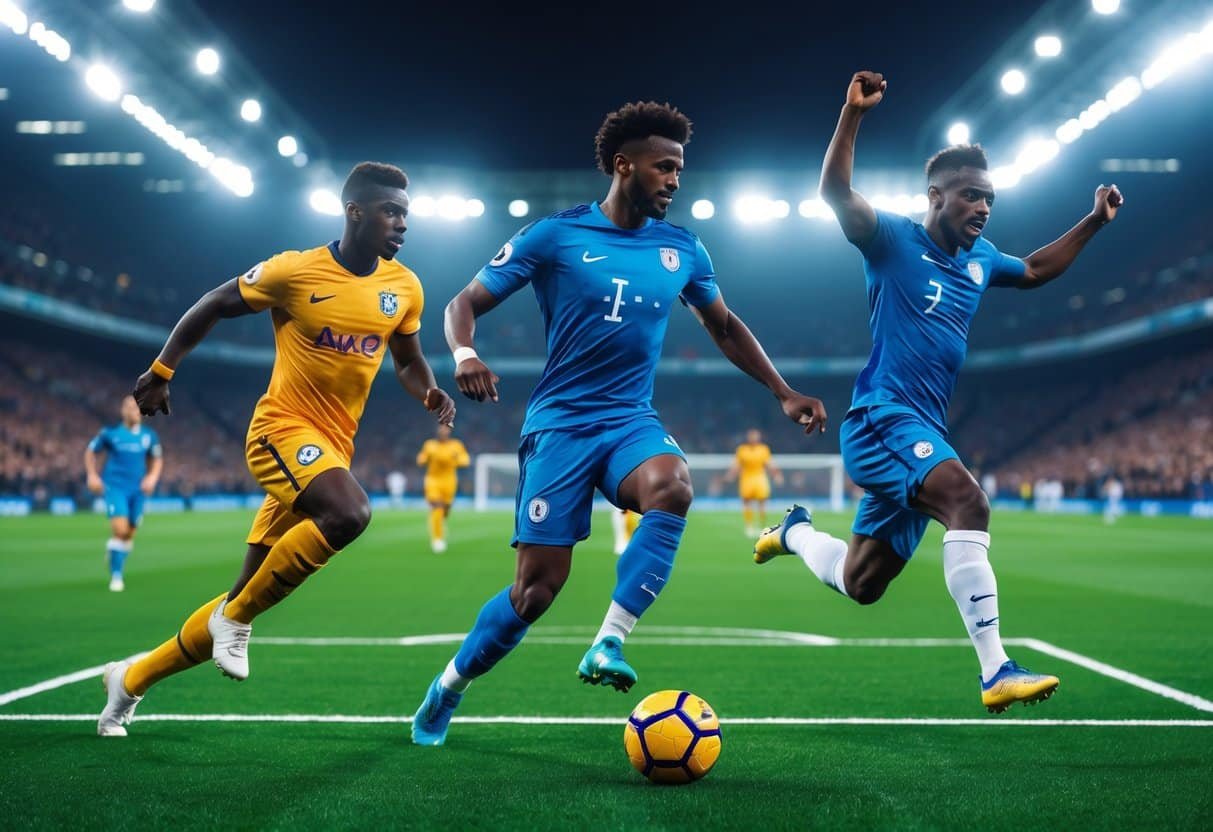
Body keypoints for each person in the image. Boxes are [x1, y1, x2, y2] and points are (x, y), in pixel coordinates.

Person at [411, 101, 827, 745]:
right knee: (534, 594)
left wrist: (782, 392)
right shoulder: (555, 236)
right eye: (664, 167)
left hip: (631, 420)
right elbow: (463, 301)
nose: (675, 180)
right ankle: (448, 688)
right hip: (560, 427)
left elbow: (723, 325)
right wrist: (465, 353)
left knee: (674, 485)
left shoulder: (682, 248)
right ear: (623, 165)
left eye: (680, 169)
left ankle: (608, 641)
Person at [755, 71, 1123, 713]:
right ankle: (995, 668)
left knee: (861, 582)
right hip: (880, 419)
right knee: (968, 502)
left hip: (919, 430)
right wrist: (852, 115)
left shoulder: (981, 262)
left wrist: (1093, 222)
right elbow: (834, 191)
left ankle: (793, 532)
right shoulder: (893, 240)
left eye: (990, 200)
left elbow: (1036, 269)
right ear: (936, 197)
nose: (983, 208)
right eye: (971, 197)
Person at [97, 162, 455, 737]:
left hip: (331, 449)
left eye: (406, 214)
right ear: (355, 213)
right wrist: (161, 369)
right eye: (391, 212)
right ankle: (235, 622)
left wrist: (430, 390)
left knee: (247, 588)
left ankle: (131, 680)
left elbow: (408, 360)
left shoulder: (404, 287)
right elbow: (215, 301)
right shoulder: (294, 270)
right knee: (350, 514)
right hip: (281, 432)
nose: (402, 224)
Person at [84, 395, 162, 592]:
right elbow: (90, 451)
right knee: (120, 530)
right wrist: (92, 475)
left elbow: (157, 460)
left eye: (136, 407)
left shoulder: (149, 436)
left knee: (129, 533)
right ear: (123, 411)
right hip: (115, 487)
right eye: (129, 406)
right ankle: (116, 575)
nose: (133, 410)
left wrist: (152, 477)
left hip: (138, 490)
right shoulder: (110, 434)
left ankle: (113, 551)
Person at [416, 424, 470, 552]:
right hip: (433, 480)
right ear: (437, 432)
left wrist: (456, 458)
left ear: (449, 432)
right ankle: (437, 539)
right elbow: (421, 460)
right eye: (441, 430)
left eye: (445, 430)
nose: (443, 432)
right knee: (437, 506)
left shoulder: (456, 445)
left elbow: (465, 461)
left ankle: (439, 521)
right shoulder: (430, 445)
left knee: (445, 510)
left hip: (449, 481)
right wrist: (426, 458)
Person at [726, 428, 783, 535]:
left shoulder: (763, 449)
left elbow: (770, 464)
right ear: (748, 437)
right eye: (752, 436)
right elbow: (736, 465)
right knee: (747, 503)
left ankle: (762, 526)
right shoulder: (742, 449)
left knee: (762, 503)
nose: (753, 438)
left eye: (755, 436)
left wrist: (777, 475)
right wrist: (731, 475)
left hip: (760, 478)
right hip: (746, 478)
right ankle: (749, 526)